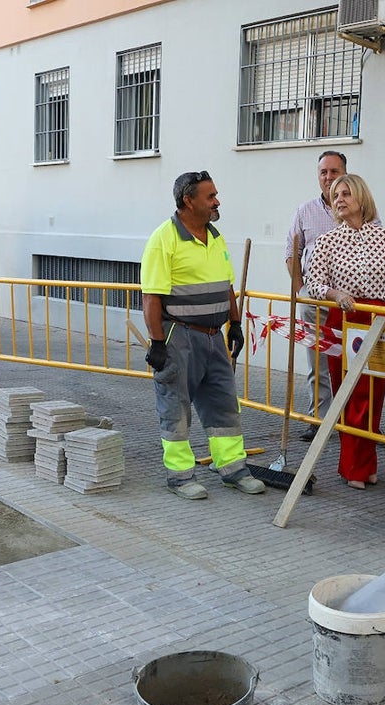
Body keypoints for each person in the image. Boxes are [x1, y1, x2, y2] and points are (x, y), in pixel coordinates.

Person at [140, 170, 266, 500]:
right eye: (210, 196)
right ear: (188, 200)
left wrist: (235, 323)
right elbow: (151, 296)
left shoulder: (215, 236)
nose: (217, 201)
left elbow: (226, 286)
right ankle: (180, 477)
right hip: (179, 336)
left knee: (224, 404)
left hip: (213, 337)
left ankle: (233, 469)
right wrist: (156, 341)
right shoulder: (163, 239)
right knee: (175, 407)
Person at [302, 174, 385, 489]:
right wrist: (337, 295)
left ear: (362, 197)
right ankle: (352, 468)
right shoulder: (328, 241)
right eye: (335, 195)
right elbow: (314, 283)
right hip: (344, 321)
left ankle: (367, 465)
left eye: (346, 193)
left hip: (379, 322)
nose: (339, 199)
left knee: (374, 395)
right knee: (349, 394)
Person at [286, 150, 349, 442]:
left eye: (334, 171)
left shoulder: (360, 209)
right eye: (324, 172)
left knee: (355, 361)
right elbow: (292, 253)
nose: (328, 177)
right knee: (319, 363)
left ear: (344, 174)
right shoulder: (305, 211)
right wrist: (300, 290)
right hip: (316, 301)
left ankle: (357, 422)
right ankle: (319, 419)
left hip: (351, 303)